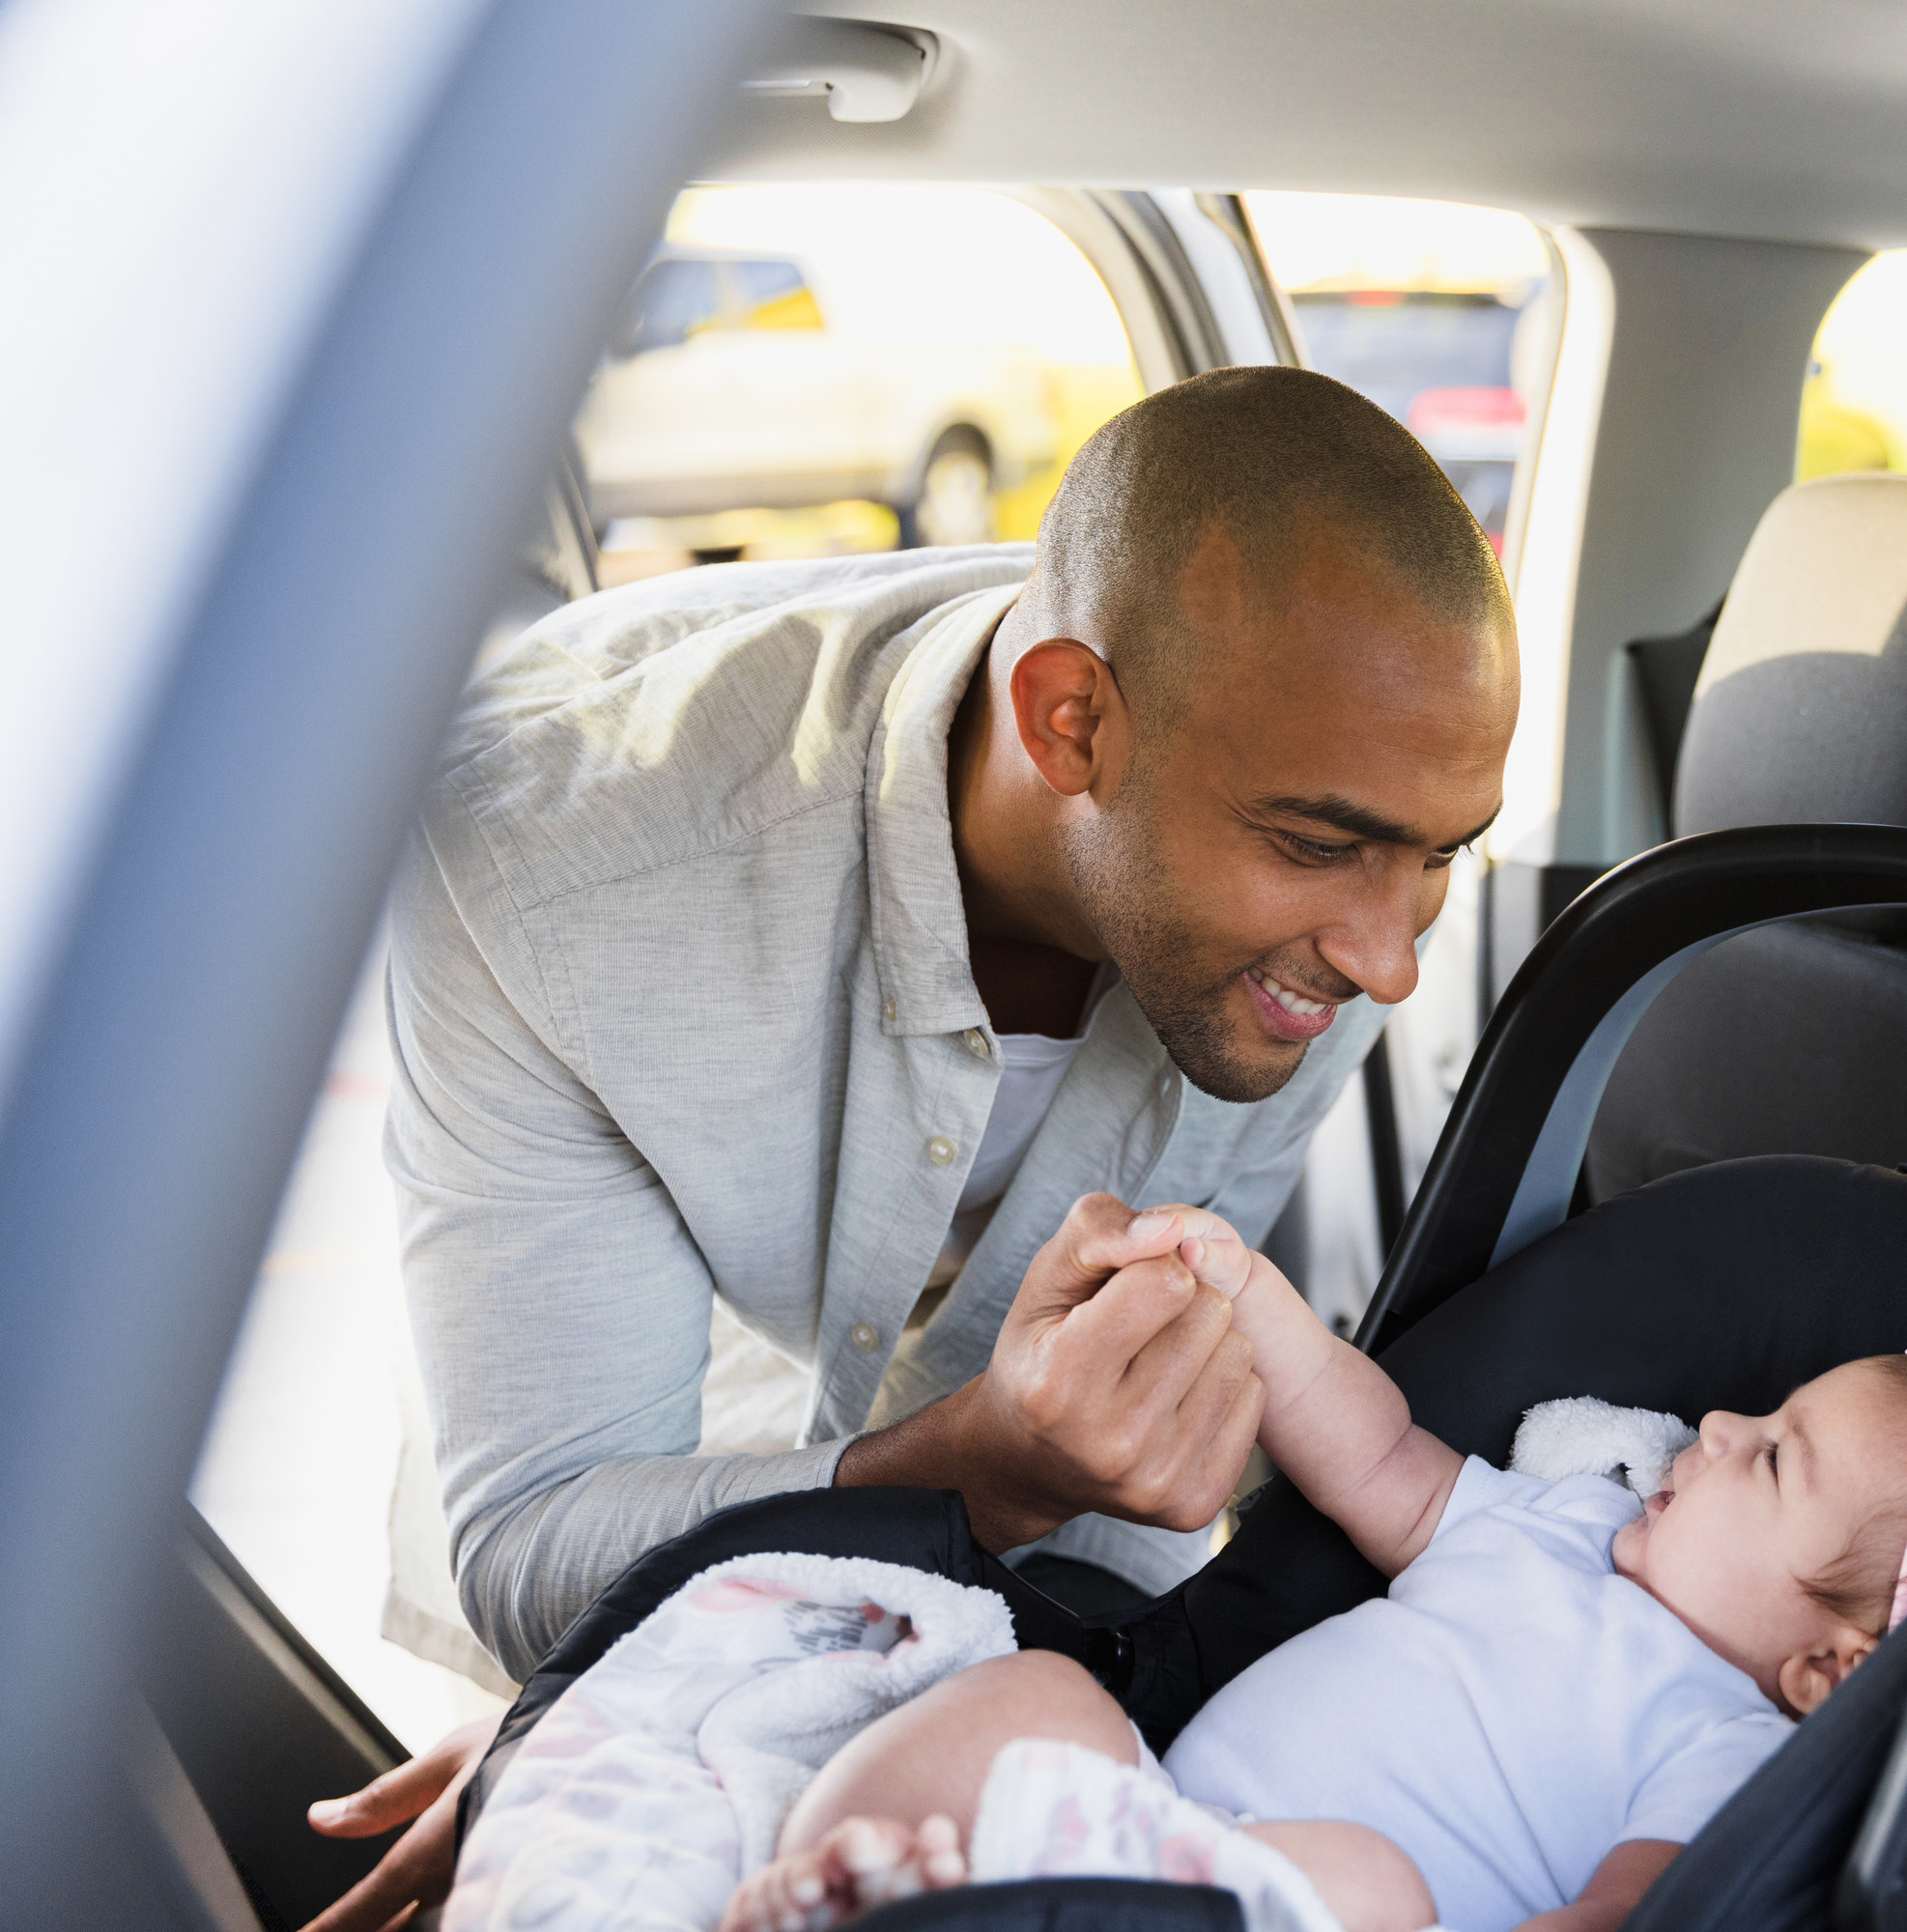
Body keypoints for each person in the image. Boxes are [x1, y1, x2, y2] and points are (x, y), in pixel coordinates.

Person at [299, 365, 1520, 1931]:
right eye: (1318, 846)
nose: (1391, 962)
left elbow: (1109, 1545)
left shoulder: (1328, 909)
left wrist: (727, 1701)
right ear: (1071, 722)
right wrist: (630, 1707)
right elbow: (547, 1542)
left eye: (1440, 858)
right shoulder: (551, 885)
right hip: (693, 1412)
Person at [705, 1212, 1907, 1932]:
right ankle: (837, 1880)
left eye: (1773, 1461)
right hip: (1131, 1819)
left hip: (1293, 1912)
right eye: (1758, 1415)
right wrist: (1256, 1306)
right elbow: (1380, 1453)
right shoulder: (1559, 1530)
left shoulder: (1726, 1751)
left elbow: (1631, 1917)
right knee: (1036, 1700)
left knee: (1371, 1888)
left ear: (1830, 1668)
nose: (1718, 1427)